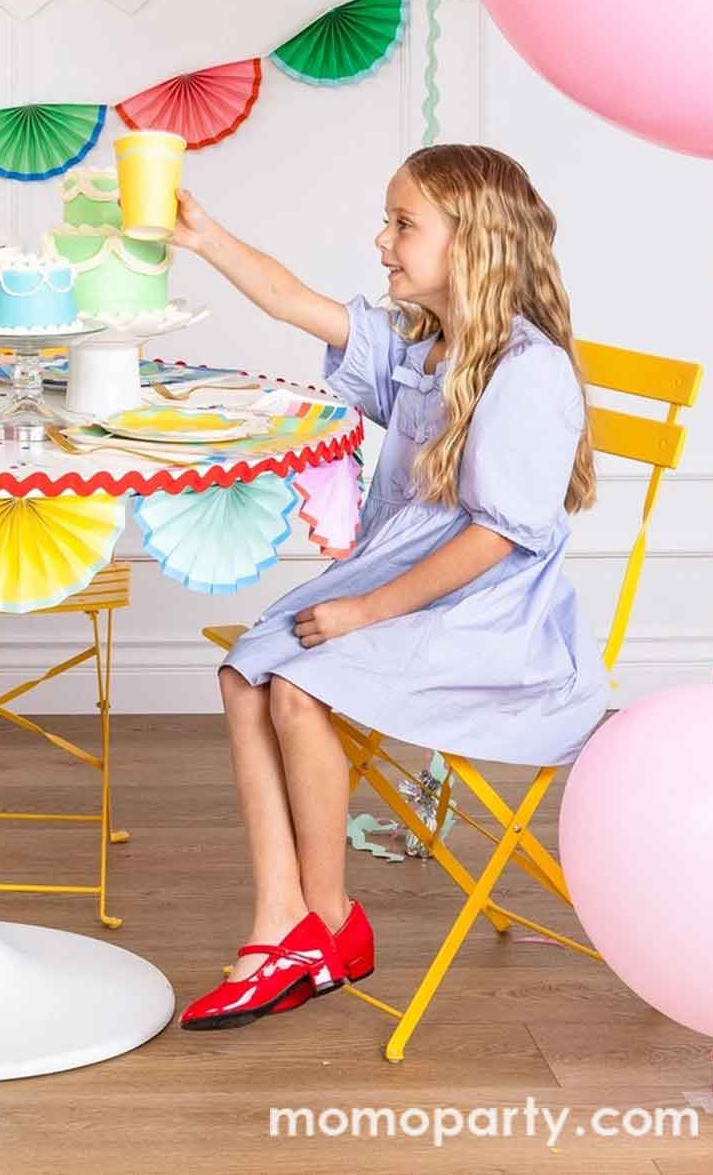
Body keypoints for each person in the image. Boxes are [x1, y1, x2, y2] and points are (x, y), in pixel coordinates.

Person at [167, 143, 607, 1030]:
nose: (380, 240)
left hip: (484, 615)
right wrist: (204, 236)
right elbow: (300, 304)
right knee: (242, 671)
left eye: (403, 223)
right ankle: (288, 921)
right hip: (406, 584)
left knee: (294, 681)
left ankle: (320, 924)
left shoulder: (528, 370)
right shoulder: (425, 345)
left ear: (472, 241)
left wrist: (365, 608)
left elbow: (493, 537)